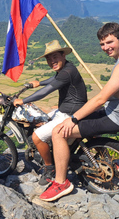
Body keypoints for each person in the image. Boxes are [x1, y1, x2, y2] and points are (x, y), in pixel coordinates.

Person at [39, 22, 119, 202]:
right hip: (116, 112)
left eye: (109, 42)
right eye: (102, 44)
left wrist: (73, 118)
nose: (106, 48)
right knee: (79, 119)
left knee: (58, 132)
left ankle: (61, 182)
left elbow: (101, 99)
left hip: (117, 117)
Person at [13, 40, 88, 185]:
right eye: (48, 58)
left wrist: (23, 101)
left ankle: (49, 167)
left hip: (69, 114)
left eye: (55, 57)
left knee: (37, 137)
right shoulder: (67, 68)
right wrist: (39, 83)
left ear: (63, 55)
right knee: (42, 119)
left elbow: (46, 92)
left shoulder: (67, 72)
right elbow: (55, 79)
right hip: (67, 111)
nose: (52, 61)